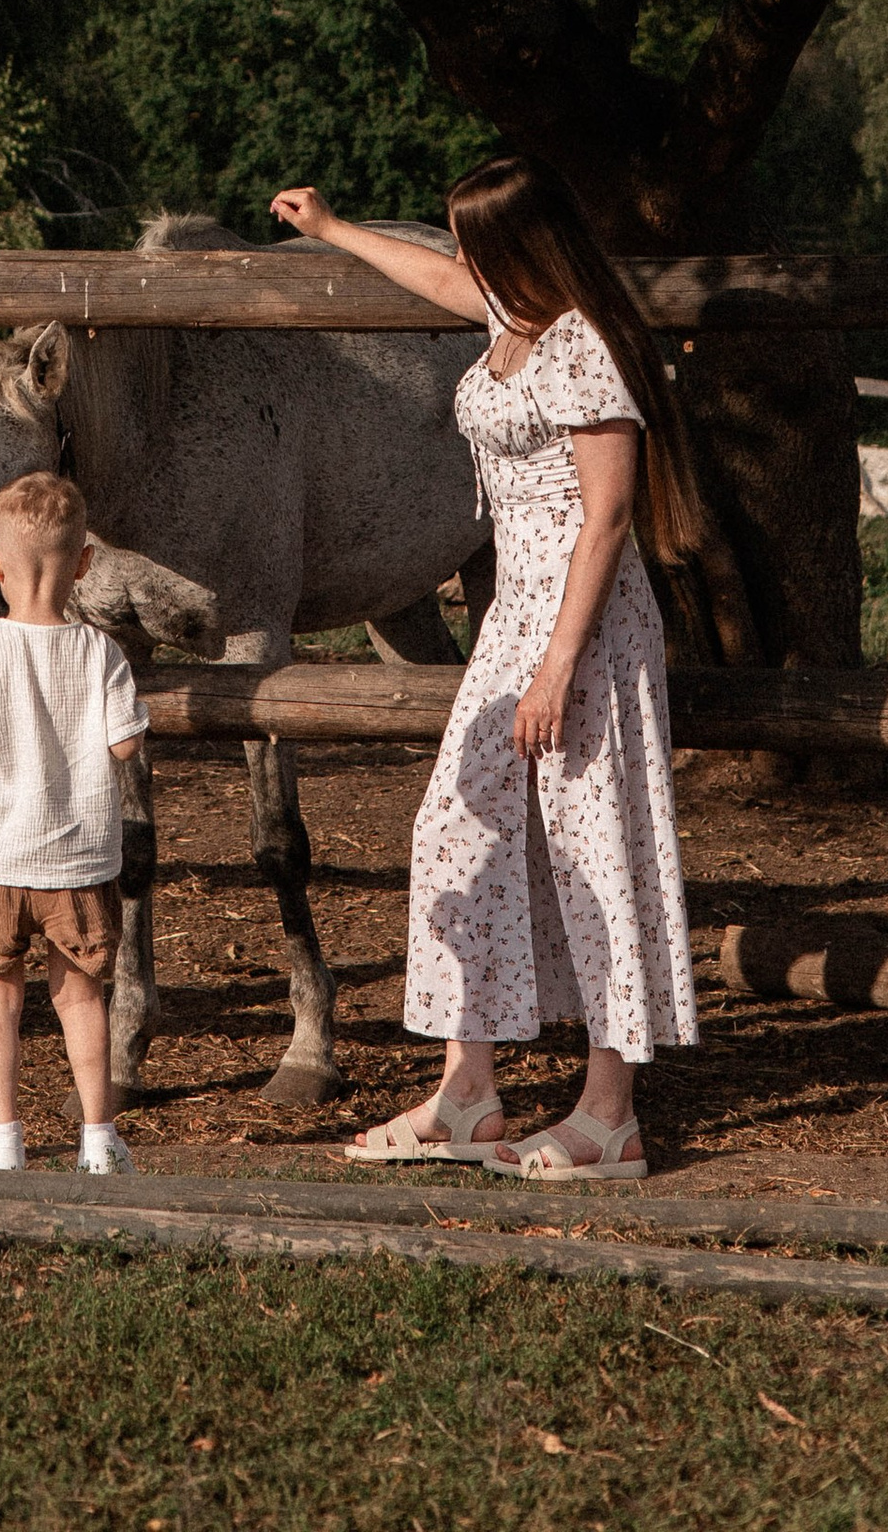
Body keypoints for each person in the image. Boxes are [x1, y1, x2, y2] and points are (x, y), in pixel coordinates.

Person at [268, 163, 701, 1178]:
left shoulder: (585, 346)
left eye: (474, 241)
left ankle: (609, 1115)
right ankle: (467, 1094)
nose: (460, 258)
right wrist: (331, 227)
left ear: (523, 249)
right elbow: (437, 282)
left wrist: (558, 666)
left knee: (595, 850)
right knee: (458, 831)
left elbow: (606, 517)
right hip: (517, 616)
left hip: (582, 624)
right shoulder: (516, 317)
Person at [0, 467, 149, 1175]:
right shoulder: (101, 651)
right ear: (83, 564)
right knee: (81, 999)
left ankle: (2, 1138)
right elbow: (126, 744)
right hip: (76, 863)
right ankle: (99, 1139)